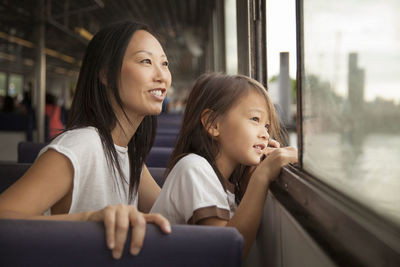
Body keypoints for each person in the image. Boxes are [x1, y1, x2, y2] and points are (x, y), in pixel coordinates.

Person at [0, 21, 172, 260]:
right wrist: (88, 220)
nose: (161, 75)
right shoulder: (81, 146)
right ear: (105, 74)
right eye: (146, 61)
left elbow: (172, 218)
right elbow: (4, 216)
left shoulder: (129, 156)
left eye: (165, 63)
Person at [151, 72, 298, 258]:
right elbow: (226, 252)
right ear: (213, 124)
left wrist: (248, 183)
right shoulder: (193, 168)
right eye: (255, 120)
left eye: (267, 127)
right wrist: (262, 176)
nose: (265, 134)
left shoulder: (226, 180)